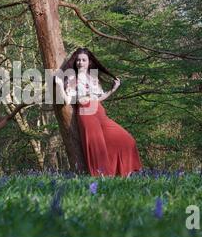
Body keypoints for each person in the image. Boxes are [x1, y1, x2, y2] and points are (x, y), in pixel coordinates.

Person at [54, 48, 142, 177]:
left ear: (89, 62)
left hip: (100, 113)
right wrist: (60, 85)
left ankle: (123, 173)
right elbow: (67, 100)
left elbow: (98, 98)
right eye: (78, 60)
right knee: (96, 147)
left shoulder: (93, 77)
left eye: (84, 60)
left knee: (127, 140)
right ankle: (102, 178)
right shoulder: (72, 78)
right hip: (86, 114)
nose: (80, 62)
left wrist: (113, 89)